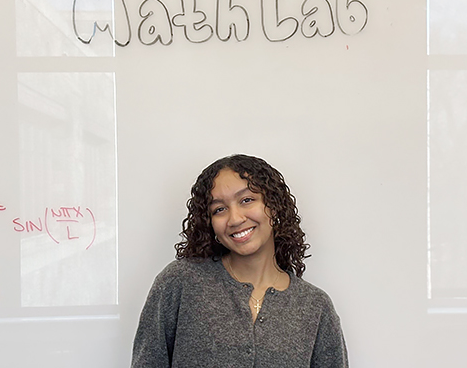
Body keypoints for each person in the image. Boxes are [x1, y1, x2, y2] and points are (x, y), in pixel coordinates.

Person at [131, 154, 348, 367]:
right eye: (219, 209)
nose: (235, 219)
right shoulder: (181, 282)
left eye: (247, 200)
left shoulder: (315, 306)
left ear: (274, 205)